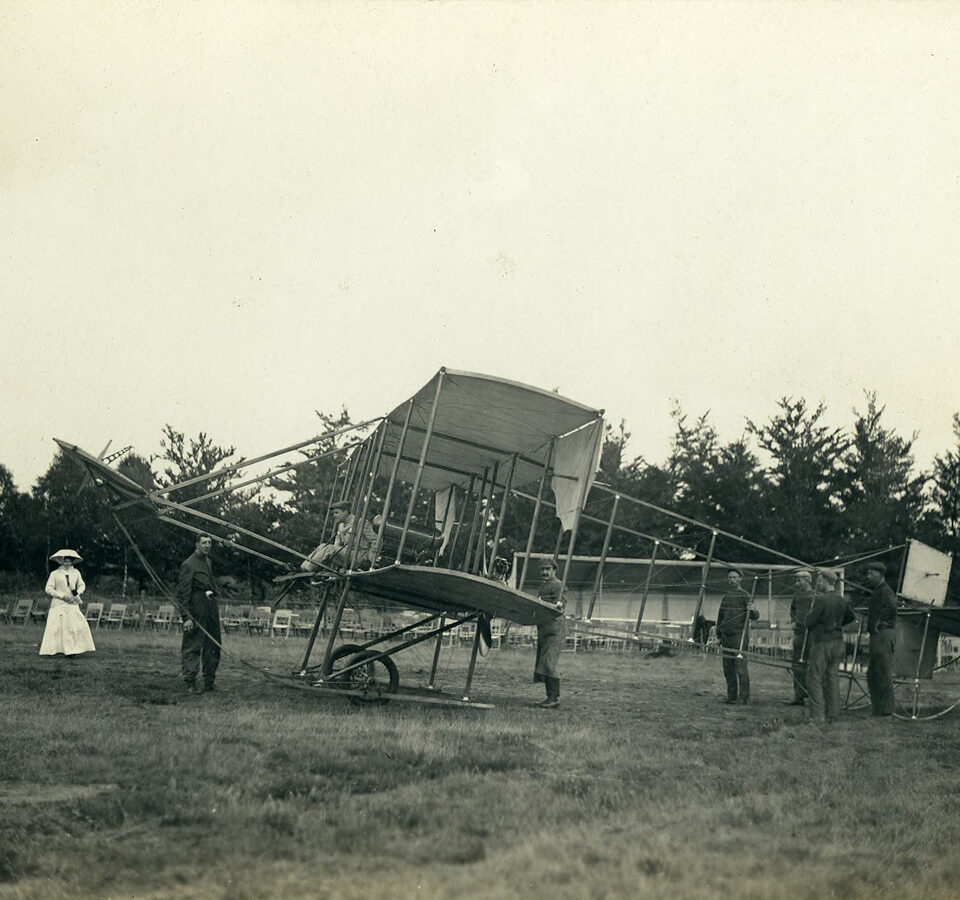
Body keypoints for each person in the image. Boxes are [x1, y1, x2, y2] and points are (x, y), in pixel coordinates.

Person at [804, 569, 856, 724]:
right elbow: (851, 617)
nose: (817, 583)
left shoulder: (821, 600)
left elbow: (809, 622)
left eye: (819, 580)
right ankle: (832, 715)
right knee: (832, 678)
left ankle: (817, 716)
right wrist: (837, 625)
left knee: (814, 678)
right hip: (838, 643)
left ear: (826, 581)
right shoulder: (841, 599)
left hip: (822, 644)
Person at [176, 534, 222, 694]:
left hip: (211, 608)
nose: (207, 546)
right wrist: (186, 617)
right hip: (196, 608)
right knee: (193, 645)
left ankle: (209, 681)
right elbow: (183, 593)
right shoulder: (188, 564)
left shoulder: (208, 562)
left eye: (209, 543)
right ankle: (190, 682)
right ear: (197, 544)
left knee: (213, 644)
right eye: (204, 543)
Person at [39, 549, 96, 657]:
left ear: (72, 562)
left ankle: (72, 650)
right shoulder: (55, 574)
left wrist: (76, 594)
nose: (67, 563)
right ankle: (53, 650)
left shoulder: (76, 573)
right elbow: (48, 589)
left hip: (72, 603)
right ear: (61, 561)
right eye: (65, 561)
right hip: (59, 603)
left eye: (70, 561)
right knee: (56, 627)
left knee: (74, 626)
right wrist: (62, 596)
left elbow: (82, 585)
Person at [715, 568, 758, 704]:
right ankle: (731, 696)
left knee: (740, 668)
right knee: (728, 669)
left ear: (740, 579)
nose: (732, 580)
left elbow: (755, 616)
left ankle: (744, 697)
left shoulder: (745, 595)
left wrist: (752, 611)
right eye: (730, 578)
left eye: (734, 577)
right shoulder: (726, 597)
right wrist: (719, 635)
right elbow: (720, 617)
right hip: (726, 636)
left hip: (739, 636)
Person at [301, 501, 378, 574]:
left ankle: (308, 570)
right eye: (334, 513)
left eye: (337, 512)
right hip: (346, 555)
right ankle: (303, 568)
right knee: (323, 546)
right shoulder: (341, 525)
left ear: (346, 512)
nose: (334, 515)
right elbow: (336, 545)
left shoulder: (360, 523)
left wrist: (371, 559)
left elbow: (376, 540)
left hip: (359, 556)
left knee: (329, 548)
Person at [864, 561, 898, 717]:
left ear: (880, 574)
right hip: (877, 635)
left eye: (872, 574)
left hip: (883, 635)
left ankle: (887, 710)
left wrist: (879, 622)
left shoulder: (885, 591)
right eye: (868, 573)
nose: (868, 576)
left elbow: (891, 607)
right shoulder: (877, 591)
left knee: (883, 671)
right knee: (873, 673)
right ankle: (878, 708)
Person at [533, 558, 567, 708]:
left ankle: (554, 698)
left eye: (548, 569)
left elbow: (560, 606)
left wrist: (552, 605)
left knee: (549, 662)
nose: (544, 572)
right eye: (542, 569)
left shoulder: (559, 585)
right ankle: (550, 698)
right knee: (543, 663)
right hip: (544, 629)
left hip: (555, 629)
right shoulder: (543, 587)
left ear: (554, 570)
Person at [784, 569, 816, 706]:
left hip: (813, 635)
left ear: (808, 580)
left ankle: (813, 696)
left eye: (799, 580)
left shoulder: (816, 595)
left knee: (812, 666)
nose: (797, 583)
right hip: (799, 634)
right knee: (796, 665)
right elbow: (793, 610)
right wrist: (793, 621)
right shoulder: (797, 595)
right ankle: (798, 696)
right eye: (796, 580)